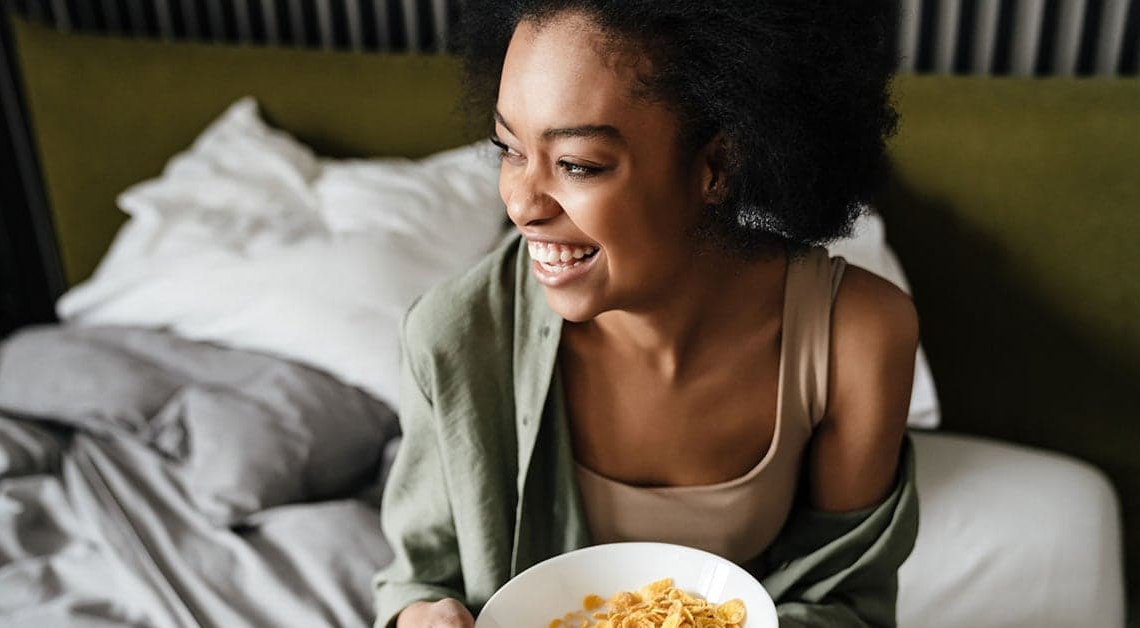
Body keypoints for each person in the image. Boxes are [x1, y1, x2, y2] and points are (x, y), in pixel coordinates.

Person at [373, 2, 919, 627]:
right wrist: (418, 617)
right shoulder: (454, 339)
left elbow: (846, 601)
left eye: (577, 164)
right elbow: (418, 582)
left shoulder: (856, 339)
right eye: (508, 149)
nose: (521, 204)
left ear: (717, 165)